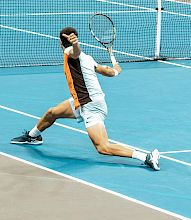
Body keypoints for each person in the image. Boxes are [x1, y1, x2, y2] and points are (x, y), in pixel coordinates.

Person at [10, 28, 160, 171]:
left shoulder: (70, 52)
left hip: (91, 106)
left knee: (103, 147)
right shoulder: (88, 58)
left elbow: (75, 52)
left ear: (60, 43)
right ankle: (33, 136)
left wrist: (75, 44)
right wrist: (114, 62)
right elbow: (110, 72)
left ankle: (146, 157)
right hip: (82, 102)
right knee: (52, 113)